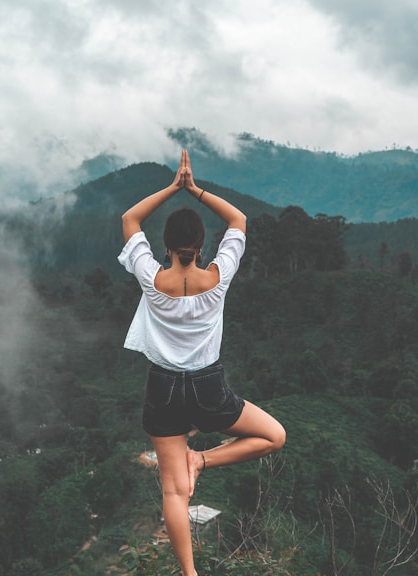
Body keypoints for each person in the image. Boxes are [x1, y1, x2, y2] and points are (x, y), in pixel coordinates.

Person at [118, 149, 286, 576]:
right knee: (274, 436)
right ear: (201, 246)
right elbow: (239, 221)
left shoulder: (152, 278)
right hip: (209, 388)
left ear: (167, 246)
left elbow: (129, 220)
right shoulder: (218, 277)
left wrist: (172, 187)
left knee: (175, 494)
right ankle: (204, 459)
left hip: (163, 388)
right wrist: (196, 190)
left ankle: (189, 574)